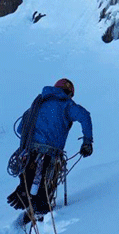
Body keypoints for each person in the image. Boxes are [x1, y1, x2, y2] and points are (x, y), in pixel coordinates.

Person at [7, 78, 93, 224]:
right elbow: (85, 116)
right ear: (70, 93)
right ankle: (40, 219)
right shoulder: (66, 104)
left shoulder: (38, 104)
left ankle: (27, 199)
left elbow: (20, 129)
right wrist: (87, 142)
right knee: (46, 188)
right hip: (50, 154)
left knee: (30, 181)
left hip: (29, 153)